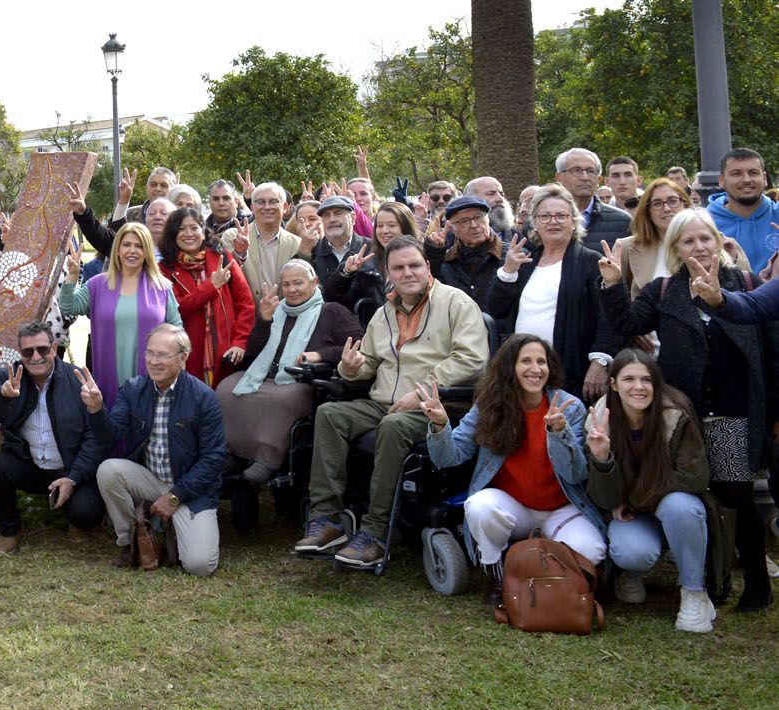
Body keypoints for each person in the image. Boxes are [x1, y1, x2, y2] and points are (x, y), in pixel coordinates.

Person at [612, 210, 774, 612]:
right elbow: (626, 323)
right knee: (695, 496)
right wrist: (613, 284)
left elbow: (772, 354)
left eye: (705, 238)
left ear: (719, 241)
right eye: (688, 241)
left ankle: (756, 582)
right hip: (684, 415)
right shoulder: (664, 290)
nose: (698, 247)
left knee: (736, 495)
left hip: (735, 413)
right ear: (676, 249)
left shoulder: (748, 285)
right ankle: (711, 581)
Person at [295, 237, 488, 569]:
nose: (408, 272)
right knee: (329, 414)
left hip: (434, 406)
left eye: (414, 265)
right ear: (389, 272)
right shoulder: (384, 313)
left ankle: (375, 532)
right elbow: (368, 363)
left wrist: (425, 389)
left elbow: (472, 360)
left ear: (428, 267)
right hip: (384, 401)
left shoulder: (456, 303)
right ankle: (327, 519)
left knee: (393, 425)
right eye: (399, 268)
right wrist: (350, 367)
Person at [424, 335, 606, 608]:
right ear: (510, 366)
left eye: (541, 362)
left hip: (561, 507)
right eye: (526, 361)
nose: (536, 369)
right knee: (478, 506)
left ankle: (536, 562)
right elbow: (450, 456)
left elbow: (575, 474)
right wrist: (440, 426)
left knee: (591, 550)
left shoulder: (569, 407)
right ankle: (499, 575)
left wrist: (558, 433)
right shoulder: (489, 404)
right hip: (515, 506)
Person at [586, 350, 717, 633]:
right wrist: (603, 459)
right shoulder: (599, 418)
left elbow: (694, 478)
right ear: (613, 384)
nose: (639, 387)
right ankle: (629, 573)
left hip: (668, 505)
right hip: (634, 516)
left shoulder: (675, 413)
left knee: (680, 505)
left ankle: (694, 592)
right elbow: (605, 499)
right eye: (629, 379)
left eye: (647, 379)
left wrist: (634, 500)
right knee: (632, 551)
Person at [97, 324, 227, 575]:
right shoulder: (134, 389)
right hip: (151, 480)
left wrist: (175, 496)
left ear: (183, 358)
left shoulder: (204, 397)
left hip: (190, 488)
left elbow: (214, 459)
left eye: (163, 355)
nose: (153, 361)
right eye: (150, 353)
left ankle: (175, 529)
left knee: (200, 566)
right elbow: (109, 436)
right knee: (108, 470)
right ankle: (131, 541)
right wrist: (95, 410)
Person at [218, 260, 362, 485]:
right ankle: (231, 454)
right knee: (225, 389)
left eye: (298, 283)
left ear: (314, 282)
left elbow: (359, 342)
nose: (292, 289)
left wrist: (322, 355)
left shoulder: (331, 311)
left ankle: (267, 460)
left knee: (284, 399)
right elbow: (253, 353)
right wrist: (264, 321)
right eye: (286, 285)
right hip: (264, 374)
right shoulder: (276, 310)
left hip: (300, 379)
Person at [0, 321, 111, 554]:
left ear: (54, 348)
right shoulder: (10, 377)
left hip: (69, 469)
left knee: (86, 513)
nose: (36, 357)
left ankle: (75, 521)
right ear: (21, 353)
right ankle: (10, 531)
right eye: (28, 351)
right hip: (30, 465)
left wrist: (74, 477)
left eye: (43, 350)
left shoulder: (77, 379)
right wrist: (3, 396)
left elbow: (99, 438)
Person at [487, 184, 602, 398]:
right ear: (535, 223)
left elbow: (607, 319)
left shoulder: (590, 262)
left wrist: (599, 362)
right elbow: (497, 309)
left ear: (574, 222)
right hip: (523, 372)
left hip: (570, 371)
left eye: (561, 216)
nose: (553, 222)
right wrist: (508, 271)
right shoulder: (525, 263)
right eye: (545, 216)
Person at [57, 223, 179, 412]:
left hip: (153, 374)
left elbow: (176, 328)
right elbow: (68, 306)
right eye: (126, 244)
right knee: (114, 426)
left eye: (139, 246)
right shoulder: (97, 285)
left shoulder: (162, 287)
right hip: (109, 376)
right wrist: (72, 277)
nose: (132, 251)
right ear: (117, 250)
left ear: (147, 252)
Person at [156, 207, 253, 387]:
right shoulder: (165, 268)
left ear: (203, 231)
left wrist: (240, 342)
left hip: (226, 354)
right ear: (173, 234)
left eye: (194, 228)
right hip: (188, 355)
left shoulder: (222, 256)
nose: (188, 234)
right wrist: (211, 286)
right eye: (182, 229)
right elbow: (176, 310)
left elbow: (246, 304)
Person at [610, 177, 694, 294]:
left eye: (673, 201)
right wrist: (609, 283)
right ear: (647, 211)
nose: (666, 208)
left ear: (685, 204)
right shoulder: (625, 248)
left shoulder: (707, 242)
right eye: (657, 203)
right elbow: (616, 303)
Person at [705, 148, 779, 278]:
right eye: (736, 174)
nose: (746, 179)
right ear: (721, 180)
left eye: (753, 173)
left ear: (765, 178)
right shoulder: (704, 223)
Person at [426, 196, 503, 310]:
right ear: (453, 228)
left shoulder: (513, 255)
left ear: (487, 219)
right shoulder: (447, 260)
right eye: (464, 221)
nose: (474, 225)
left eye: (478, 217)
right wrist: (434, 251)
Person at [310, 195, 384, 313]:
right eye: (326, 215)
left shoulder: (374, 248)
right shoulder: (313, 252)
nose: (332, 219)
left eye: (338, 213)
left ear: (353, 218)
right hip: (326, 325)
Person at [231, 183, 303, 302]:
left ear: (284, 207)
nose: (267, 207)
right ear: (252, 207)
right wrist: (239, 253)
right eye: (260, 202)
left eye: (274, 201)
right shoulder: (233, 237)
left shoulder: (297, 244)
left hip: (286, 316)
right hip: (246, 317)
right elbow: (225, 275)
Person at [555, 148, 632, 254]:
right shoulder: (541, 221)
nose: (585, 177)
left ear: (599, 179)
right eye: (576, 170)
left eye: (591, 171)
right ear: (559, 177)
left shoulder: (623, 222)